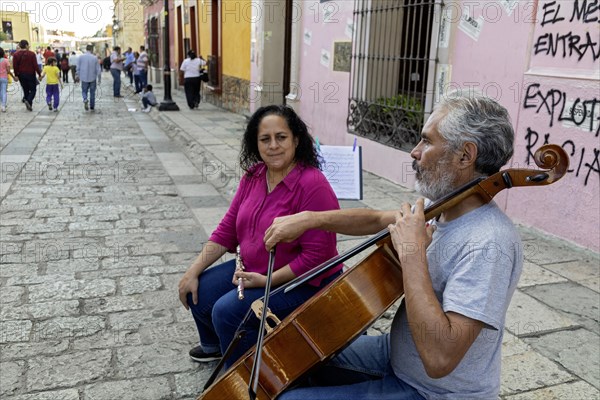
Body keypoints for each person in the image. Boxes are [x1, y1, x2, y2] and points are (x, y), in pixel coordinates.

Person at [265, 93, 523, 400]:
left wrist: (412, 254)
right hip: (397, 353)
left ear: (465, 156)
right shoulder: (440, 205)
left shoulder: (489, 243)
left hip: (434, 391)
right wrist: (310, 219)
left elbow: (440, 360)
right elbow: (376, 218)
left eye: (427, 142)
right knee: (293, 356)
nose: (415, 152)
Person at [178, 105, 343, 369]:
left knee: (226, 311)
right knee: (200, 290)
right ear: (256, 144)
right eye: (265, 139)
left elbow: (318, 257)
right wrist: (192, 271)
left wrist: (267, 280)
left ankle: (249, 372)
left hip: (304, 283)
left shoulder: (313, 184)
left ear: (296, 140)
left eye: (281, 137)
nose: (273, 145)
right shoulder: (254, 176)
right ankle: (218, 347)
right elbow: (228, 229)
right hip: (254, 270)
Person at [12, 40, 41, 111]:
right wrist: (39, 74)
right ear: (26, 45)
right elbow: (35, 65)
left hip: (21, 75)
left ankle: (29, 106)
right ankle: (28, 100)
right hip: (30, 74)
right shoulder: (32, 54)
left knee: (26, 90)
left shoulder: (16, 54)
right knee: (33, 90)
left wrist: (16, 75)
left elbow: (15, 66)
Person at [76, 44, 102, 111]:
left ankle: (85, 99)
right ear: (92, 49)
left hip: (84, 78)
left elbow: (78, 68)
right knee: (92, 92)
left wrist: (77, 76)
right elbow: (98, 69)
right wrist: (99, 79)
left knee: (84, 91)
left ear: (86, 49)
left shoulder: (81, 57)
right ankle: (92, 106)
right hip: (92, 78)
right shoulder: (94, 58)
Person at [0, 47, 18, 112]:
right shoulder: (5, 60)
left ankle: (2, 104)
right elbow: (8, 71)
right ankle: (3, 106)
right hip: (4, 78)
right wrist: (13, 77)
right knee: (4, 92)